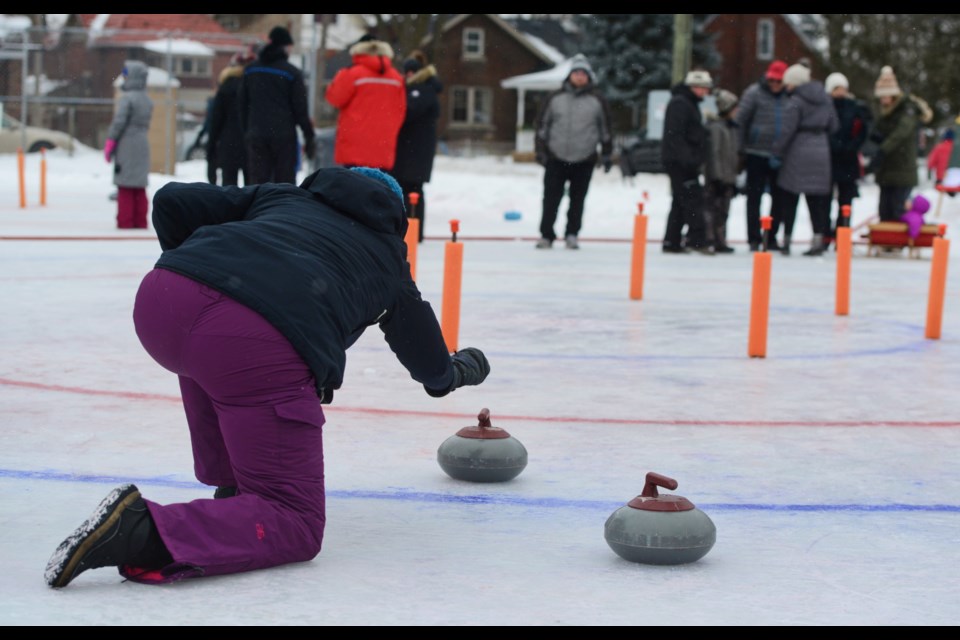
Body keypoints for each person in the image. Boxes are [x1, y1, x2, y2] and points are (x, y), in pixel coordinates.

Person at [43, 166, 491, 589]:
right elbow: (428, 364)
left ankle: (233, 488)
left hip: (161, 302)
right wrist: (455, 372)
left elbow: (171, 201)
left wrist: (197, 268)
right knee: (295, 519)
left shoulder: (284, 197)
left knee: (217, 364)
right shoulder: (387, 257)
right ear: (397, 219)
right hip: (249, 338)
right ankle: (141, 530)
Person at [533, 53, 613, 250]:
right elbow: (542, 126)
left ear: (588, 77)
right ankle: (546, 234)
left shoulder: (597, 100)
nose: (579, 77)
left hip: (584, 158)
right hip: (556, 156)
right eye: (576, 73)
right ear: (569, 75)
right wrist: (540, 150)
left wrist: (607, 153)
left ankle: (572, 233)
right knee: (551, 198)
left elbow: (606, 129)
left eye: (583, 74)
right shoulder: (555, 98)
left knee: (577, 200)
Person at [770, 63, 839, 256]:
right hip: (821, 151)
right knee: (816, 201)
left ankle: (787, 239)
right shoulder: (825, 99)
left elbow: (786, 130)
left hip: (797, 152)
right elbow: (834, 125)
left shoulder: (795, 101)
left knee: (790, 197)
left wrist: (776, 151)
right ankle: (818, 239)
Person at [238, 26, 316, 185]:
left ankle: (258, 209)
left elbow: (242, 104)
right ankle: (282, 208)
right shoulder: (291, 73)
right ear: (285, 46)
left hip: (256, 134)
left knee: (258, 183)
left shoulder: (251, 70)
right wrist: (309, 136)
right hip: (284, 136)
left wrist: (247, 131)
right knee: (284, 184)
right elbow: (300, 109)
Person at [326, 34, 407, 172]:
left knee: (354, 188)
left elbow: (334, 98)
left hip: (354, 147)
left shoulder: (352, 73)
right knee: (379, 189)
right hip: (383, 146)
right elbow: (401, 111)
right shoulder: (396, 78)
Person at [735, 59, 789, 251]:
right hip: (755, 153)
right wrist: (740, 149)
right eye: (772, 80)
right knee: (754, 197)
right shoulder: (754, 93)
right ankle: (754, 238)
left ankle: (771, 236)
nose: (775, 85)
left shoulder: (789, 97)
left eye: (779, 81)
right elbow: (740, 121)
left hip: (780, 156)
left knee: (779, 198)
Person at [389, 50, 443, 243]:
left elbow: (408, 112)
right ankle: (411, 231)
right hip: (414, 150)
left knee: (411, 190)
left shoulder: (421, 90)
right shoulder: (424, 88)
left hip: (414, 151)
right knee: (410, 190)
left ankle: (413, 233)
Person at [869, 65, 933, 222]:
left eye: (886, 97)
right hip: (887, 170)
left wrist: (882, 150)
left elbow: (900, 134)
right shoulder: (885, 111)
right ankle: (886, 242)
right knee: (884, 210)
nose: (883, 100)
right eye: (881, 97)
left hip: (903, 169)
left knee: (898, 210)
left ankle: (898, 243)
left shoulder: (907, 109)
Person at [661, 69, 712, 255]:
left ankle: (672, 240)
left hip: (682, 160)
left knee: (680, 200)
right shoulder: (681, 104)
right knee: (691, 200)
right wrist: (688, 159)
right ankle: (696, 240)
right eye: (702, 87)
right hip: (681, 162)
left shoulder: (687, 103)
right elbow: (675, 135)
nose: (705, 92)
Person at [824, 71, 871, 248]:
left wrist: (851, 146)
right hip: (829, 160)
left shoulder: (855, 107)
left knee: (846, 202)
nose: (840, 92)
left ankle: (842, 236)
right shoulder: (825, 107)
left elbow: (862, 131)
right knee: (824, 201)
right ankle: (825, 235)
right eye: (837, 88)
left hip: (848, 160)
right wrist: (833, 145)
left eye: (843, 88)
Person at [104, 60, 153, 230]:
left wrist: (111, 141)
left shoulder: (127, 99)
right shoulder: (147, 99)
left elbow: (119, 123)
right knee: (139, 186)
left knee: (125, 186)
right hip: (142, 143)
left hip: (127, 143)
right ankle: (140, 221)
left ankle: (125, 222)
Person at [207, 46, 256, 186]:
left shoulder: (225, 86)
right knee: (252, 189)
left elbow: (216, 120)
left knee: (229, 187)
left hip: (228, 143)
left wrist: (211, 148)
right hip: (251, 143)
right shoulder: (256, 86)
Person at [703, 88, 740, 254]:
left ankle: (721, 238)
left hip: (728, 176)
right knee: (714, 210)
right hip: (718, 177)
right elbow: (715, 153)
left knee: (724, 211)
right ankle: (712, 238)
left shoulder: (731, 128)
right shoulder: (717, 128)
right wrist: (717, 176)